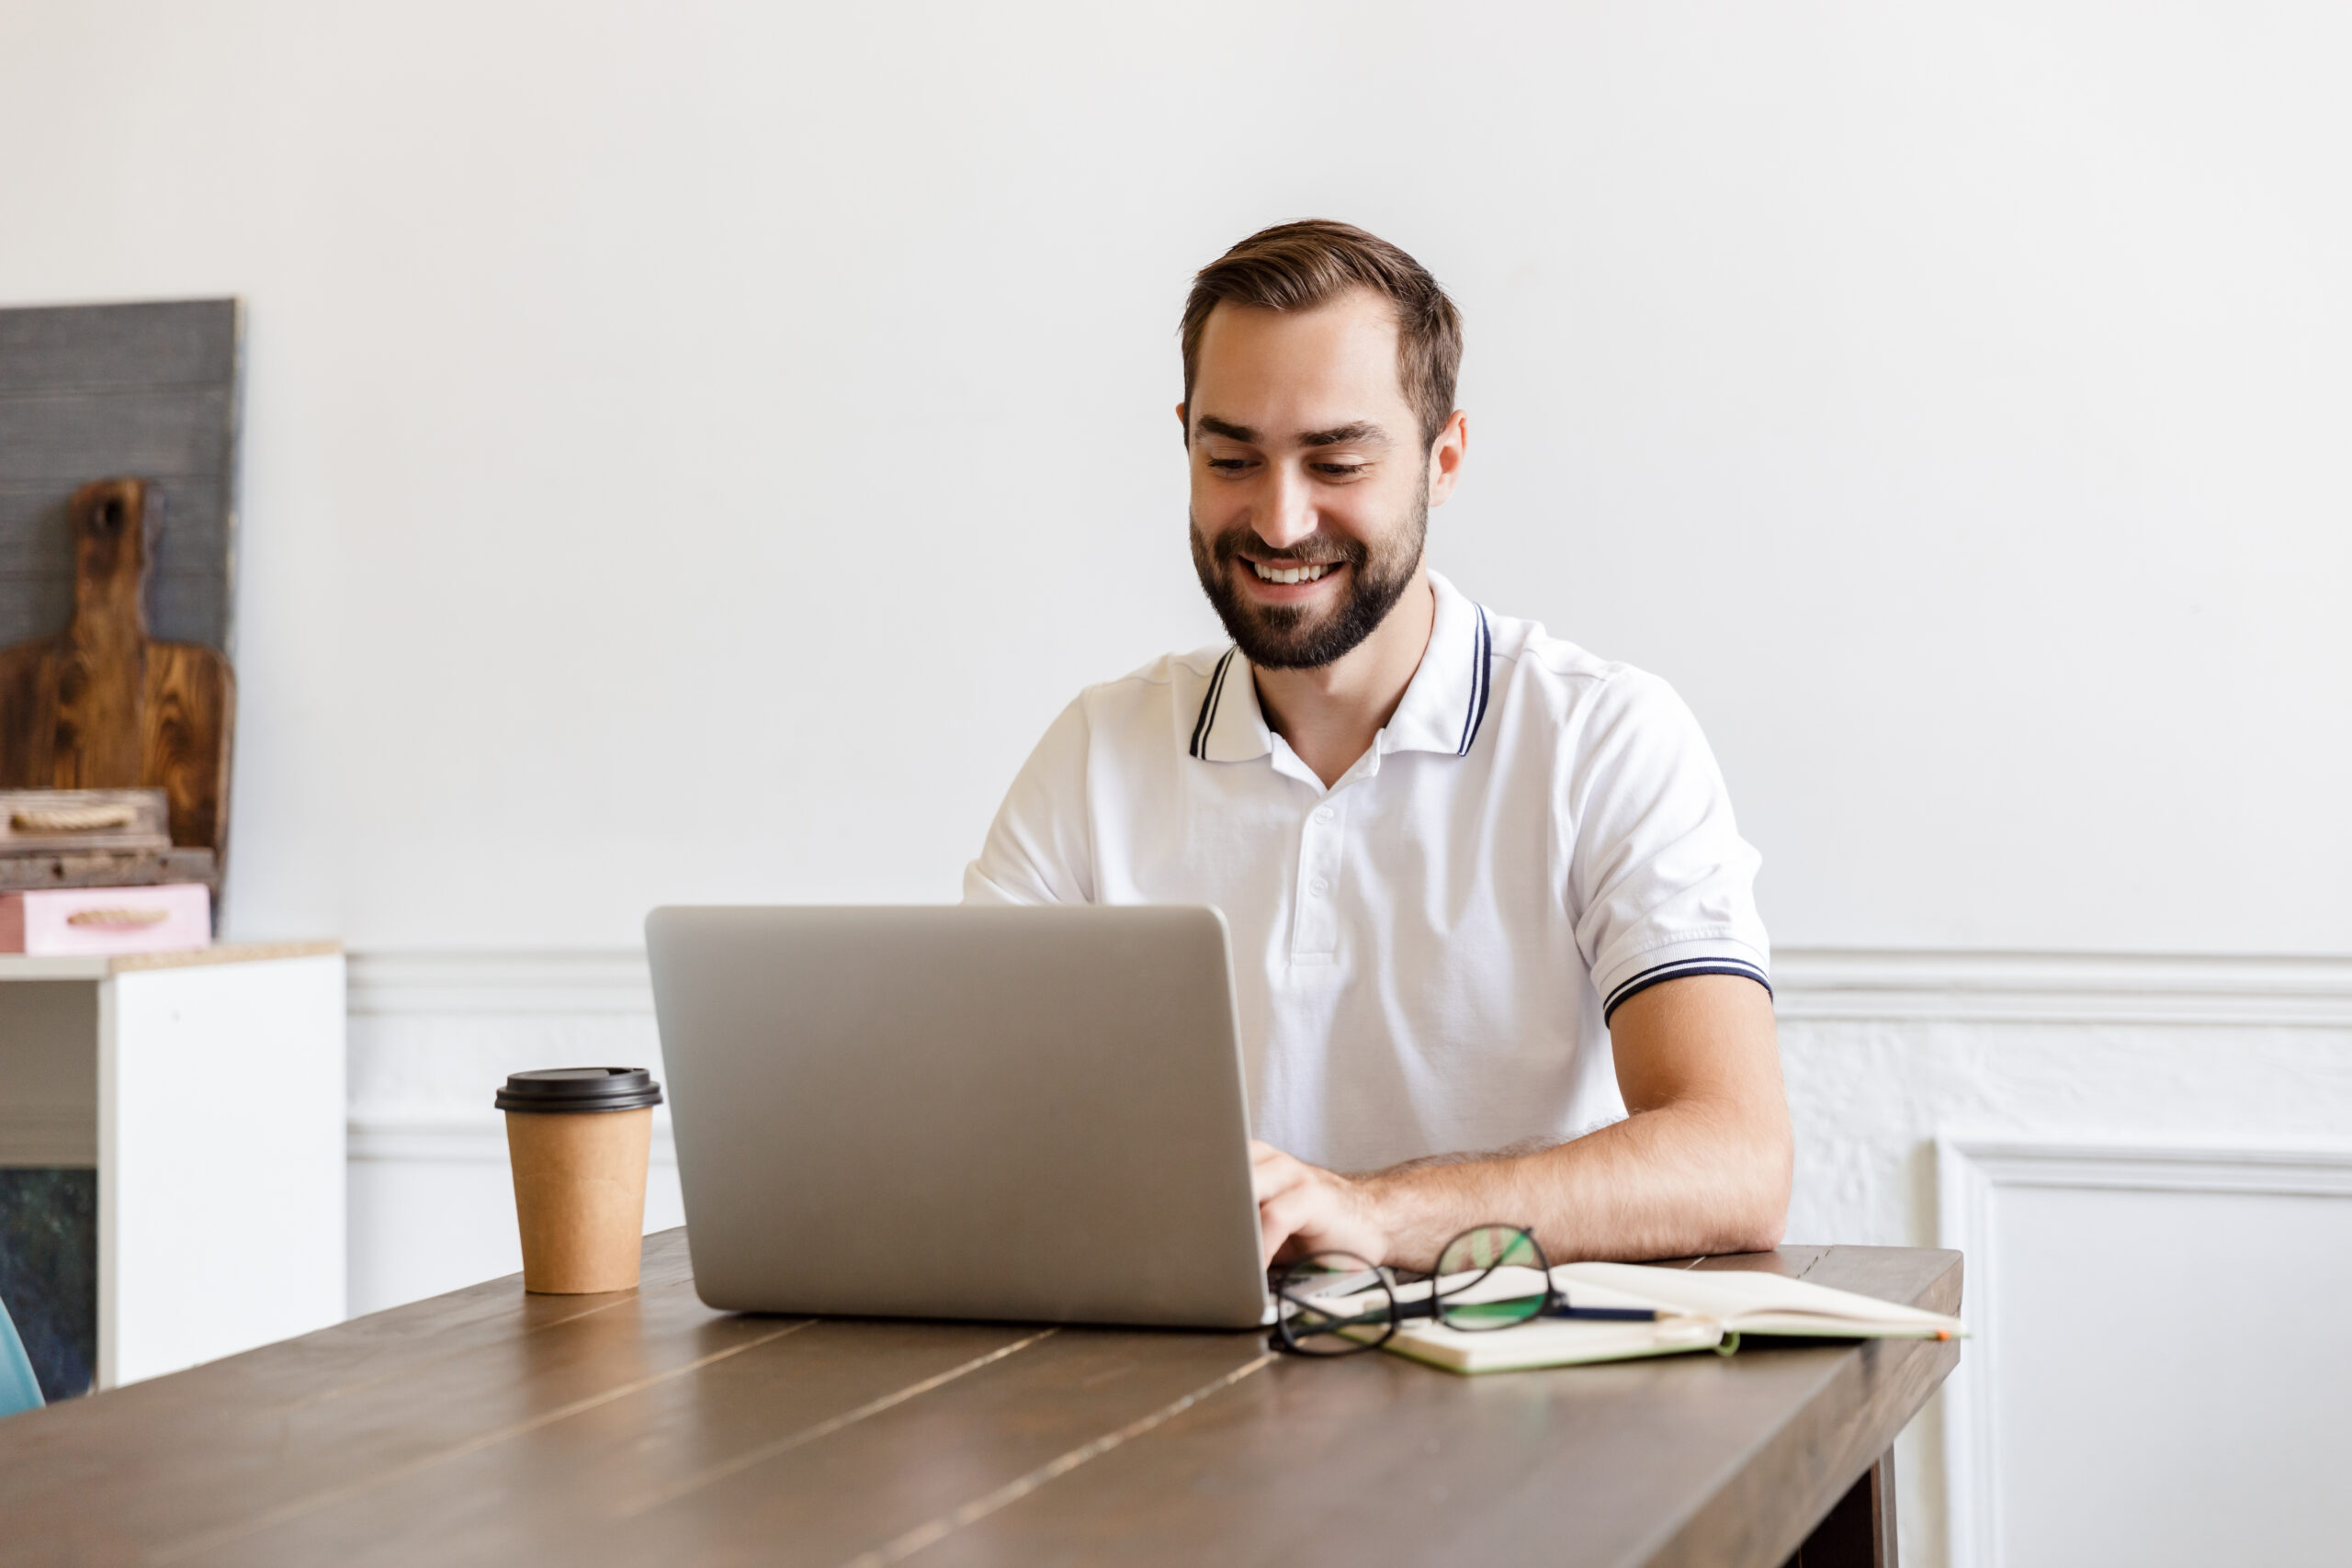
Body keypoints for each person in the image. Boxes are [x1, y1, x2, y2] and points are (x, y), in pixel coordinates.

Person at [965, 220, 1789, 1272]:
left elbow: (1734, 1158)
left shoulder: (1603, 738)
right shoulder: (1095, 755)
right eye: (1231, 459)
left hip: (1523, 1396)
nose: (1278, 517)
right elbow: (972, 1115)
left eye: (1337, 460)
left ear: (1443, 459)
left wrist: (1372, 1215)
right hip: (1184, 1394)